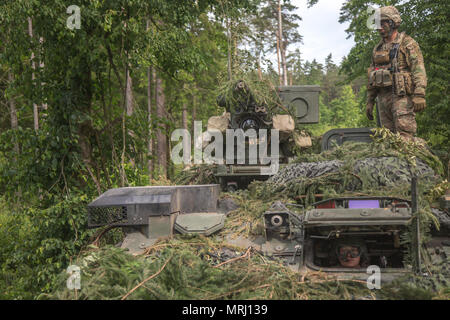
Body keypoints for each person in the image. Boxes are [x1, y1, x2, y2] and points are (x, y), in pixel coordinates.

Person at [366, 6, 427, 141]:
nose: (380, 28)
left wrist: (419, 94)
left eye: (383, 23)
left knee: (404, 138)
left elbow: (418, 69)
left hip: (401, 98)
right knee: (387, 139)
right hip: (383, 99)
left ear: (393, 23)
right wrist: (370, 101)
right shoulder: (378, 48)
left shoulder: (407, 43)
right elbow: (372, 76)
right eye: (377, 24)